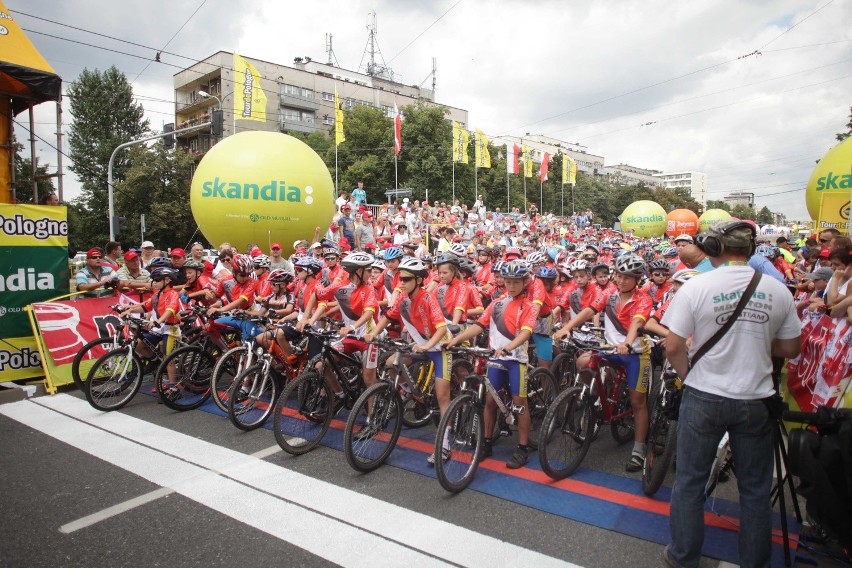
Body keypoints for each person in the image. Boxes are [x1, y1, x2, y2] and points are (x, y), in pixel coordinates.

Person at [661, 220, 801, 568]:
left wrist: (688, 375)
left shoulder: (696, 287)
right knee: (754, 491)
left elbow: (673, 345)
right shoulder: (778, 290)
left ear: (712, 246)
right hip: (756, 399)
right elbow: (791, 347)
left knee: (690, 483)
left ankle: (683, 557)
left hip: (704, 395)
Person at [447, 260, 537, 469]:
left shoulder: (530, 306)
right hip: (495, 359)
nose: (511, 286)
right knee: (490, 402)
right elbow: (480, 325)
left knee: (520, 404)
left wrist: (509, 347)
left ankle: (522, 448)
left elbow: (526, 332)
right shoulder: (497, 303)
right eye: (508, 281)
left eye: (516, 282)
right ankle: (486, 443)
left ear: (525, 282)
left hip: (516, 361)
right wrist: (456, 340)